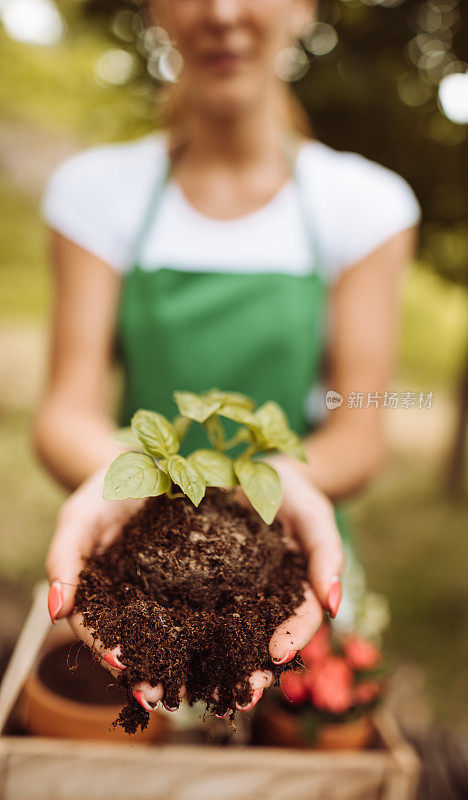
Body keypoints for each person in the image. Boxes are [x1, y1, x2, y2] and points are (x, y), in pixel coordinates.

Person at [35, 0, 420, 715]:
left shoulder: (364, 205)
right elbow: (65, 407)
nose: (222, 11)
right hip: (142, 529)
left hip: (293, 538)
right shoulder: (97, 194)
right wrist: (119, 483)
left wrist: (278, 483)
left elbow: (360, 421)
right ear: (156, 10)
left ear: (305, 9)